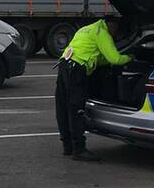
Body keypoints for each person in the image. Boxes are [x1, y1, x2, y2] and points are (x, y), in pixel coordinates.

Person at [56, 17, 131, 162]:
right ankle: (79, 149)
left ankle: (68, 146)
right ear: (112, 25)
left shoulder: (87, 29)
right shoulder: (101, 32)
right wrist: (130, 57)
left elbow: (98, 57)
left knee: (63, 107)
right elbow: (115, 59)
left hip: (64, 65)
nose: (115, 35)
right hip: (76, 70)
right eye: (116, 30)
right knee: (76, 108)